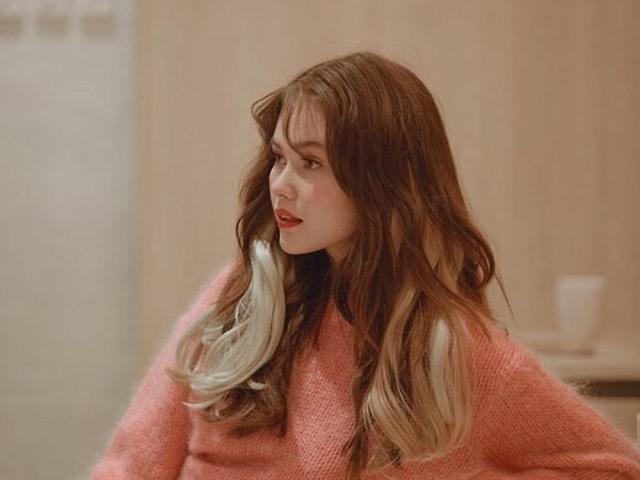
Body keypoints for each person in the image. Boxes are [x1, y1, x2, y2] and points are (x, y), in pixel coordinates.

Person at [89, 51, 640, 480]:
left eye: (311, 162)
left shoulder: (455, 352)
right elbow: (133, 464)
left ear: (382, 183)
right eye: (280, 157)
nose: (281, 184)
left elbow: (612, 468)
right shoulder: (240, 294)